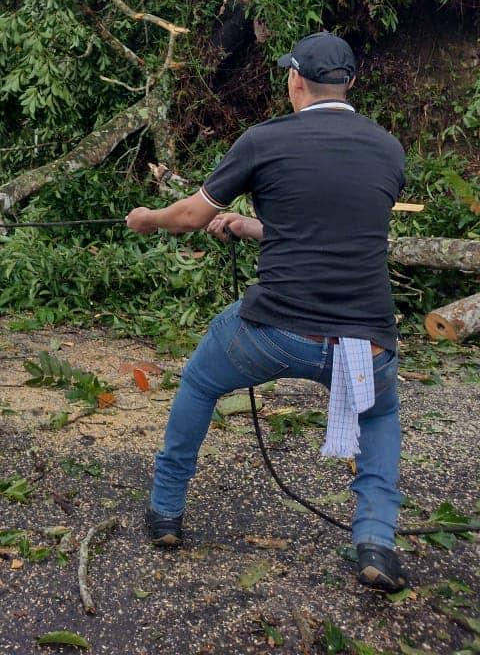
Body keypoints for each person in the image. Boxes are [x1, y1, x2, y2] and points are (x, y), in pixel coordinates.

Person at [126, 32, 409, 592]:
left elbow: (189, 216)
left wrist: (147, 218)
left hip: (275, 331)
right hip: (365, 341)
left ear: (295, 79)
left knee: (201, 380)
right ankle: (376, 541)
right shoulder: (388, 148)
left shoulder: (265, 139)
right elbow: (333, 228)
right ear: (349, 82)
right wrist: (252, 227)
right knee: (378, 416)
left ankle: (166, 511)